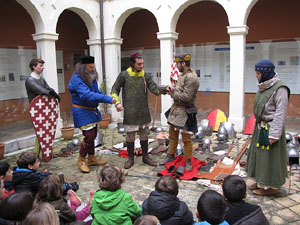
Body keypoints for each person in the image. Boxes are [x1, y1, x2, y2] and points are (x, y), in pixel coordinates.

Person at [246, 59, 290, 196]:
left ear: (265, 73)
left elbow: (280, 113)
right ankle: (260, 181)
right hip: (261, 127)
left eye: (258, 73)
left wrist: (274, 135)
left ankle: (269, 186)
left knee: (269, 159)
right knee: (259, 156)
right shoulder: (264, 86)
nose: (256, 75)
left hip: (270, 129)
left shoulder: (280, 89)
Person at [111, 52, 162, 169]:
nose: (142, 66)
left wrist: (165, 89)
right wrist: (117, 103)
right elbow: (114, 90)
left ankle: (145, 157)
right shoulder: (124, 75)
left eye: (143, 63)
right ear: (133, 64)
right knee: (130, 137)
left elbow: (155, 89)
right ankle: (130, 159)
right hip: (130, 113)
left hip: (143, 112)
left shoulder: (145, 76)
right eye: (139, 64)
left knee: (144, 136)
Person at [68, 55, 116, 173]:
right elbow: (86, 95)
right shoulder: (77, 78)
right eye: (90, 67)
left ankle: (92, 158)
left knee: (93, 134)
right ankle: (81, 160)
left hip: (91, 110)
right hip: (82, 111)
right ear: (83, 67)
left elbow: (95, 91)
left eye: (93, 66)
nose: (93, 69)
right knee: (89, 136)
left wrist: (106, 97)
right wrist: (107, 99)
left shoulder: (91, 76)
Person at [160, 53, 199, 171]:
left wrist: (172, 93)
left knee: (186, 139)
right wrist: (173, 89)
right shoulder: (183, 75)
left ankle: (188, 161)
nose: (176, 66)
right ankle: (170, 156)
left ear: (183, 63)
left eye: (177, 63)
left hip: (185, 112)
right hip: (176, 110)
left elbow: (186, 97)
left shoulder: (191, 78)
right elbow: (180, 92)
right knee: (172, 136)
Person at [25, 58, 60, 156]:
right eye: (40, 66)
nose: (42, 68)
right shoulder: (30, 79)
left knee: (46, 131)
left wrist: (55, 94)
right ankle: (36, 155)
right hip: (37, 110)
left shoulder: (41, 78)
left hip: (45, 108)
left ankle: (46, 153)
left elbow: (47, 87)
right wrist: (50, 92)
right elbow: (39, 90)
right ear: (34, 67)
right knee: (39, 132)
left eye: (42, 65)